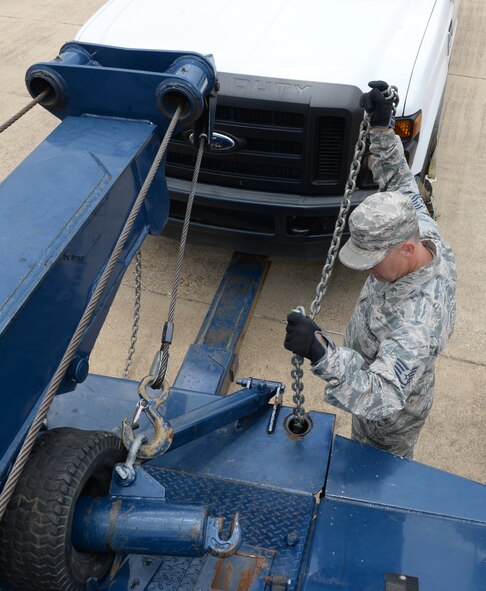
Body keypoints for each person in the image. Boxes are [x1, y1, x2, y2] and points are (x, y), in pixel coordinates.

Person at [284, 81, 456, 459]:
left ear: (406, 249)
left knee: (375, 473)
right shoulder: (421, 229)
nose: (368, 270)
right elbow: (400, 183)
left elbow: (382, 396)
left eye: (373, 260)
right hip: (372, 367)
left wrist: (321, 352)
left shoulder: (416, 324)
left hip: (387, 423)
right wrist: (381, 128)